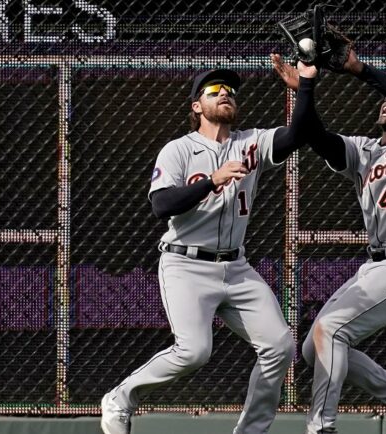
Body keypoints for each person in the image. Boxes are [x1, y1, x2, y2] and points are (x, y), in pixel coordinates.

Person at [101, 64, 319, 434]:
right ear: (197, 106)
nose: (225, 93)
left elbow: (300, 133)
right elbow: (162, 205)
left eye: (230, 90)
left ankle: (251, 431)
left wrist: (306, 88)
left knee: (280, 346)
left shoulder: (251, 142)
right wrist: (211, 182)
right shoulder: (179, 149)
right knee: (193, 351)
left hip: (236, 267)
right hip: (186, 263)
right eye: (215, 89)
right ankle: (120, 398)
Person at [272, 47, 386, 434]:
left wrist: (358, 68)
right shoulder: (364, 151)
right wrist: (306, 88)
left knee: (331, 330)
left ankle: (321, 425)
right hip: (378, 264)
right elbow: (315, 135)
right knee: (315, 349)